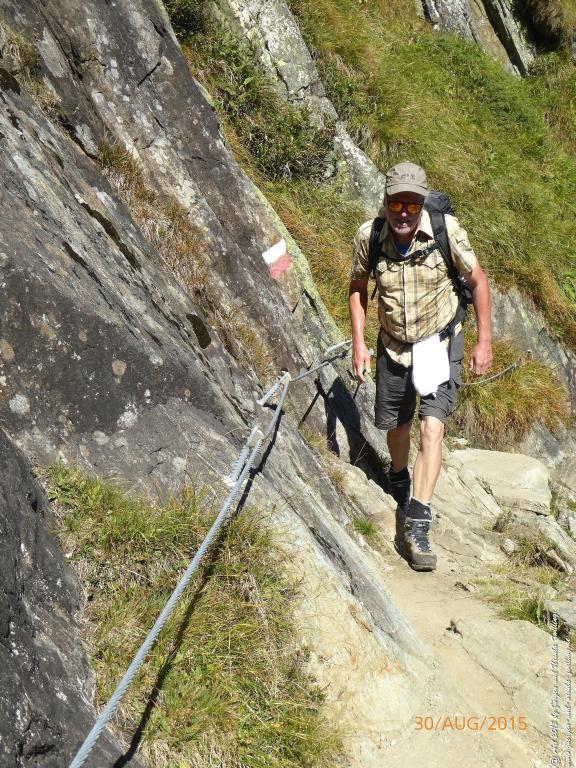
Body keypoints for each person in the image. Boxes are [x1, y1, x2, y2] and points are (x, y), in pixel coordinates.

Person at [349, 162, 492, 571]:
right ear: (385, 201)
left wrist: (483, 342)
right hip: (393, 345)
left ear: (422, 203)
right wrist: (358, 342)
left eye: (412, 204)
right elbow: (358, 287)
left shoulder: (447, 230)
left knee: (432, 427)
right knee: (397, 427)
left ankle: (419, 521)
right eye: (396, 203)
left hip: (439, 343)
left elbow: (478, 281)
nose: (404, 213)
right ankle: (399, 476)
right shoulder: (369, 236)